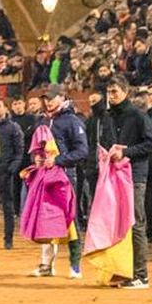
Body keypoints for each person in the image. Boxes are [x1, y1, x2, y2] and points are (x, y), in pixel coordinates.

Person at [101, 78, 152, 289]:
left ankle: (141, 276)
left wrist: (126, 152)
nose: (111, 95)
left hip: (135, 176)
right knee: (121, 225)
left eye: (115, 91)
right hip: (116, 176)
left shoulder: (137, 115)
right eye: (109, 92)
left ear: (125, 92)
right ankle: (126, 271)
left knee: (136, 224)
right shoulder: (109, 117)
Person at [47, 87, 90, 278]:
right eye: (45, 99)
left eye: (51, 98)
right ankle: (46, 264)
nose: (47, 102)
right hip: (46, 175)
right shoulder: (47, 120)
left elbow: (82, 151)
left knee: (70, 219)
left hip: (65, 175)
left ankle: (75, 264)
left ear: (62, 98)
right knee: (46, 219)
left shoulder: (72, 121)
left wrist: (58, 161)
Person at [0, 96, 26, 250]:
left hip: (6, 173)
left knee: (8, 208)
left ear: (5, 108)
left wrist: (12, 168)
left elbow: (19, 150)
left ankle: (8, 239)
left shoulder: (13, 127)